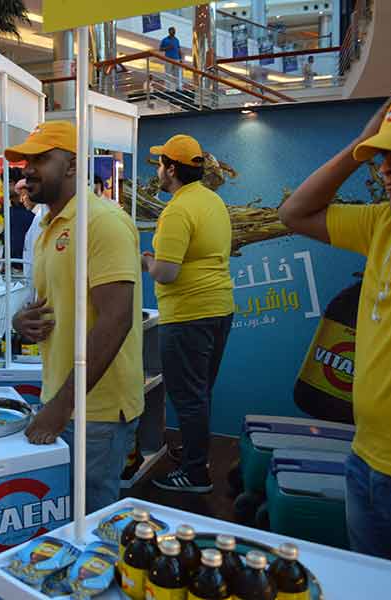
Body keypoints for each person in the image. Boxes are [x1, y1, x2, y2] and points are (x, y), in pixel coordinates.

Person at [277, 91, 391, 568]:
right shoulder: (386, 223)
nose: (385, 168)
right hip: (364, 458)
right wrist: (362, 141)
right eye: (381, 156)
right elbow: (294, 213)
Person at [8, 121, 144, 513]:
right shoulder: (48, 226)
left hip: (94, 412)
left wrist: (60, 407)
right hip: (63, 400)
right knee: (66, 519)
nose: (28, 169)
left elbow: (116, 320)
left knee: (90, 521)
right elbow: (55, 303)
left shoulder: (102, 222)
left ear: (71, 165)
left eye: (40, 159)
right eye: (26, 161)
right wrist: (21, 323)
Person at [144, 134, 233, 494]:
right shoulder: (212, 201)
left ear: (171, 169)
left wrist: (147, 261)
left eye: (160, 163)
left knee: (189, 397)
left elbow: (167, 272)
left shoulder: (177, 210)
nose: (158, 170)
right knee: (200, 393)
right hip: (219, 309)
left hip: (187, 315)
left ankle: (196, 473)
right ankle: (196, 455)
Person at [159, 27, 183, 91]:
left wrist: (180, 59)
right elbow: (160, 49)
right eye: (172, 31)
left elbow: (179, 49)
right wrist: (167, 48)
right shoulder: (165, 40)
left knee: (177, 74)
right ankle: (167, 88)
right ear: (169, 31)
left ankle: (178, 88)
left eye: (174, 31)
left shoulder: (177, 40)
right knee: (168, 73)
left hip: (176, 59)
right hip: (168, 59)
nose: (173, 32)